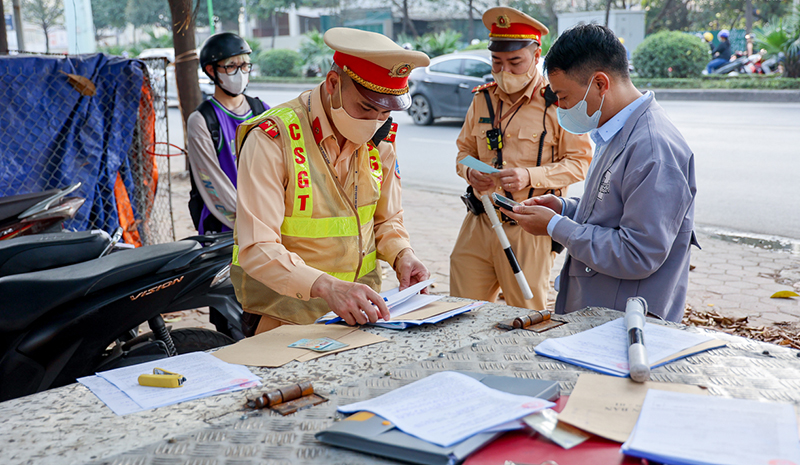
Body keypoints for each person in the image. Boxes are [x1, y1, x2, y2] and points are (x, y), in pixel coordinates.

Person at [232, 28, 431, 335]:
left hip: (361, 316)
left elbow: (386, 219)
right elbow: (257, 246)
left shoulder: (380, 139)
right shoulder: (273, 139)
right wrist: (327, 287)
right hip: (286, 319)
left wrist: (403, 254)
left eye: (385, 112)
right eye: (365, 107)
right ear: (333, 84)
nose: (374, 122)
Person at [502, 24, 697, 323]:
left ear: (600, 83)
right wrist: (565, 208)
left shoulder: (653, 149)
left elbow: (637, 253)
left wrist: (556, 226)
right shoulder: (615, 129)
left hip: (626, 323)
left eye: (563, 96)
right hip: (600, 309)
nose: (561, 107)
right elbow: (614, 210)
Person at [449, 7, 592, 310]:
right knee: (461, 311)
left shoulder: (558, 102)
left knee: (526, 316)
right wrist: (469, 172)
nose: (505, 71)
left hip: (529, 226)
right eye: (497, 62)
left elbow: (580, 162)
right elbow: (464, 152)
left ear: (536, 55)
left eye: (515, 62)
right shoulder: (482, 99)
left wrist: (529, 176)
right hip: (479, 220)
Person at [187, 32, 269, 235]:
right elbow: (211, 181)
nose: (240, 73)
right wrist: (249, 224)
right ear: (211, 70)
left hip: (266, 221)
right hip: (226, 228)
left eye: (245, 65)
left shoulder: (262, 111)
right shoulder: (202, 120)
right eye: (231, 66)